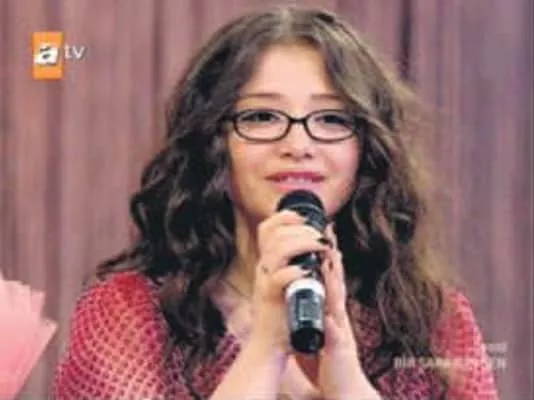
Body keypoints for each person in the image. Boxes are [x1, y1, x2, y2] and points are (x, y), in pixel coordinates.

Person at [53, 5, 499, 399]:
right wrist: (265, 348)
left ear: (367, 147)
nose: (299, 145)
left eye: (331, 118)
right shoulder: (126, 316)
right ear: (212, 141)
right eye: (262, 117)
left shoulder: (436, 322)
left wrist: (346, 381)